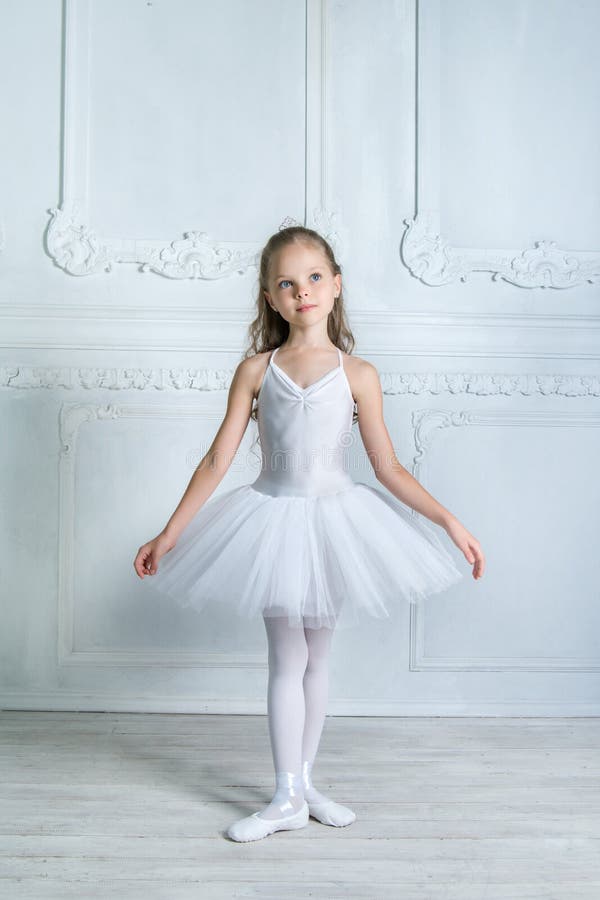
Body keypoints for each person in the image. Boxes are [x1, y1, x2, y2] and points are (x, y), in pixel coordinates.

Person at [133, 225, 485, 843]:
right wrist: (170, 533)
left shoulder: (359, 374)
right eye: (288, 284)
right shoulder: (255, 370)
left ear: (337, 285)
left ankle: (304, 782)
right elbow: (217, 461)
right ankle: (284, 793)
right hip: (272, 518)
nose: (304, 292)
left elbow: (388, 466)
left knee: (318, 656)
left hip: (335, 522)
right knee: (286, 657)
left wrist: (449, 521)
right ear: (271, 297)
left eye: (315, 278)